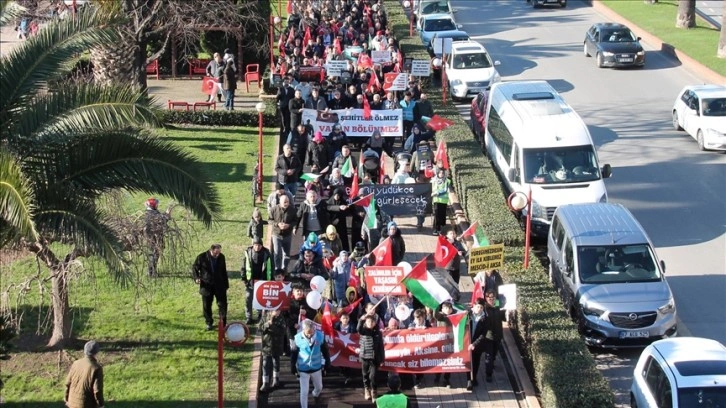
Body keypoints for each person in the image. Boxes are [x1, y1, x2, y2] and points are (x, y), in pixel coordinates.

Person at [291, 319, 331, 408]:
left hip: (316, 368)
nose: (309, 335)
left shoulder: (320, 336)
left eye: (312, 333)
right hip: (303, 368)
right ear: (303, 330)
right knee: (304, 391)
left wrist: (327, 362)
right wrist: (292, 366)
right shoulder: (297, 338)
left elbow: (325, 351)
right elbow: (294, 354)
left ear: (315, 330)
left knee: (319, 387)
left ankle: (315, 394)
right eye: (307, 333)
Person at [192, 244, 229, 330]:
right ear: (211, 250)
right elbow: (194, 267)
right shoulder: (201, 257)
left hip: (219, 284)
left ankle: (223, 323)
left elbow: (224, 271)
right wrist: (196, 278)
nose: (217, 255)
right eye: (216, 253)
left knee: (222, 304)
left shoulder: (221, 257)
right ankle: (209, 322)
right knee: (207, 305)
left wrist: (226, 285)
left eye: (219, 253)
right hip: (206, 285)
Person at [65, 340, 104, 408]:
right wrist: (101, 405)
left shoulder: (75, 363)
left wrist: (66, 399)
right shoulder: (96, 368)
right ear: (96, 353)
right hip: (86, 404)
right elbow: (97, 390)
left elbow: (68, 383)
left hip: (71, 402)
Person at [241, 237, 272, 324]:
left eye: (259, 245)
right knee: (248, 298)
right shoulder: (248, 253)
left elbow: (271, 267)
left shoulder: (267, 254)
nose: (257, 247)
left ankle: (259, 315)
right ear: (253, 245)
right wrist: (244, 278)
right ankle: (248, 317)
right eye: (256, 245)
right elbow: (243, 266)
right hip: (250, 280)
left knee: (260, 299)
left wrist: (270, 279)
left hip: (262, 280)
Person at [357, 313, 385, 401]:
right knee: (365, 375)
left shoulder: (378, 332)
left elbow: (381, 346)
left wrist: (382, 358)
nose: (370, 323)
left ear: (375, 322)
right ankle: (367, 389)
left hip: (375, 358)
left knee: (373, 376)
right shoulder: (363, 330)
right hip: (365, 356)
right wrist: (361, 320)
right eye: (368, 321)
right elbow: (358, 328)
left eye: (372, 321)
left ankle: (374, 391)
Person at [259, 309, 287, 392]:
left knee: (276, 361)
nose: (277, 312)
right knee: (265, 363)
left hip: (277, 345)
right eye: (276, 310)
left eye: (279, 310)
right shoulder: (265, 316)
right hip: (266, 345)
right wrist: (267, 324)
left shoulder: (281, 318)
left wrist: (273, 327)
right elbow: (260, 328)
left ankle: (276, 379)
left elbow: (283, 331)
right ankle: (265, 382)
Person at [143, 197, 171, 277]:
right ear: (153, 206)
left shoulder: (150, 212)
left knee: (154, 254)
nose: (158, 205)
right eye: (156, 204)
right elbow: (162, 220)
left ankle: (151, 271)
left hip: (153, 237)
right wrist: (167, 214)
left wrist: (166, 214)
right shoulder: (152, 214)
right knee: (154, 254)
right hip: (155, 238)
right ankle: (151, 272)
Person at [269, 195, 297, 271]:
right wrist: (277, 224)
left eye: (287, 202)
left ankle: (284, 269)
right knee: (277, 253)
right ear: (280, 202)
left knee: (286, 254)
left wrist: (289, 225)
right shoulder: (274, 209)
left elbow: (295, 221)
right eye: (284, 202)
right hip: (276, 235)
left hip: (287, 235)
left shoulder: (292, 210)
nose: (286, 203)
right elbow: (270, 220)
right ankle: (277, 269)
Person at [482, 290, 504, 382]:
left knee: (494, 353)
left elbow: (503, 318)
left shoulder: (498, 306)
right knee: (489, 355)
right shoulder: (484, 309)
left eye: (493, 298)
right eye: (489, 298)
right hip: (489, 336)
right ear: (486, 299)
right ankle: (489, 374)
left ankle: (492, 363)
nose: (491, 300)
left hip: (498, 334)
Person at [408, 309, 431, 389]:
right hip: (415, 348)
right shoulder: (412, 324)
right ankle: (417, 379)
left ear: (423, 317)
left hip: (425, 348)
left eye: (419, 319)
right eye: (416, 318)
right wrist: (409, 330)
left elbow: (433, 332)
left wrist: (428, 329)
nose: (417, 320)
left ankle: (420, 377)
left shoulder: (427, 323)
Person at [467, 298, 487, 390]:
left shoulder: (485, 319)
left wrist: (474, 344)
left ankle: (474, 377)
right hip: (467, 342)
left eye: (481, 307)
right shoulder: (468, 315)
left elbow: (483, 335)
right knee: (468, 361)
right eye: (478, 307)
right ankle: (469, 380)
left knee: (476, 361)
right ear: (474, 306)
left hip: (477, 345)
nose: (479, 309)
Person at [326, 187, 351, 251]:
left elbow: (347, 213)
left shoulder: (343, 201)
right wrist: (339, 207)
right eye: (335, 195)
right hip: (331, 223)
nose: (337, 197)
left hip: (341, 224)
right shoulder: (329, 201)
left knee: (342, 238)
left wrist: (346, 208)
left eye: (338, 195)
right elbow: (329, 207)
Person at [430, 168, 451, 235]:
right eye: (440, 173)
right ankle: (436, 229)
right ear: (437, 173)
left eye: (442, 173)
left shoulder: (447, 181)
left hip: (443, 201)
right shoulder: (433, 180)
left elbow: (445, 190)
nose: (441, 174)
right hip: (436, 200)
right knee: (436, 215)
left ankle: (440, 227)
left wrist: (437, 193)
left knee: (442, 215)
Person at [276, 75, 296, 140]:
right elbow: (278, 97)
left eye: (287, 82)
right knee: (283, 117)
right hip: (282, 106)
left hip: (289, 106)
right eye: (285, 82)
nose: (286, 83)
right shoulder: (280, 88)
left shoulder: (292, 89)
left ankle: (287, 130)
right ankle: (284, 128)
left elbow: (293, 98)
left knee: (288, 118)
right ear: (283, 82)